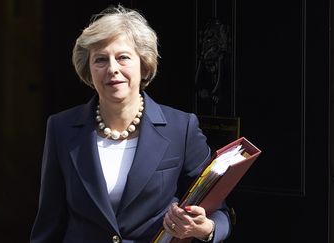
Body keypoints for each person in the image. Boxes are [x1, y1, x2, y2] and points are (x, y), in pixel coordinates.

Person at [30, 5, 231, 243]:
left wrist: (206, 228)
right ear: (88, 69)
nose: (112, 69)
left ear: (144, 64)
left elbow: (221, 212)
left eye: (123, 57)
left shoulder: (181, 128)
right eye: (100, 60)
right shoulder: (61, 128)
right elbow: (50, 221)